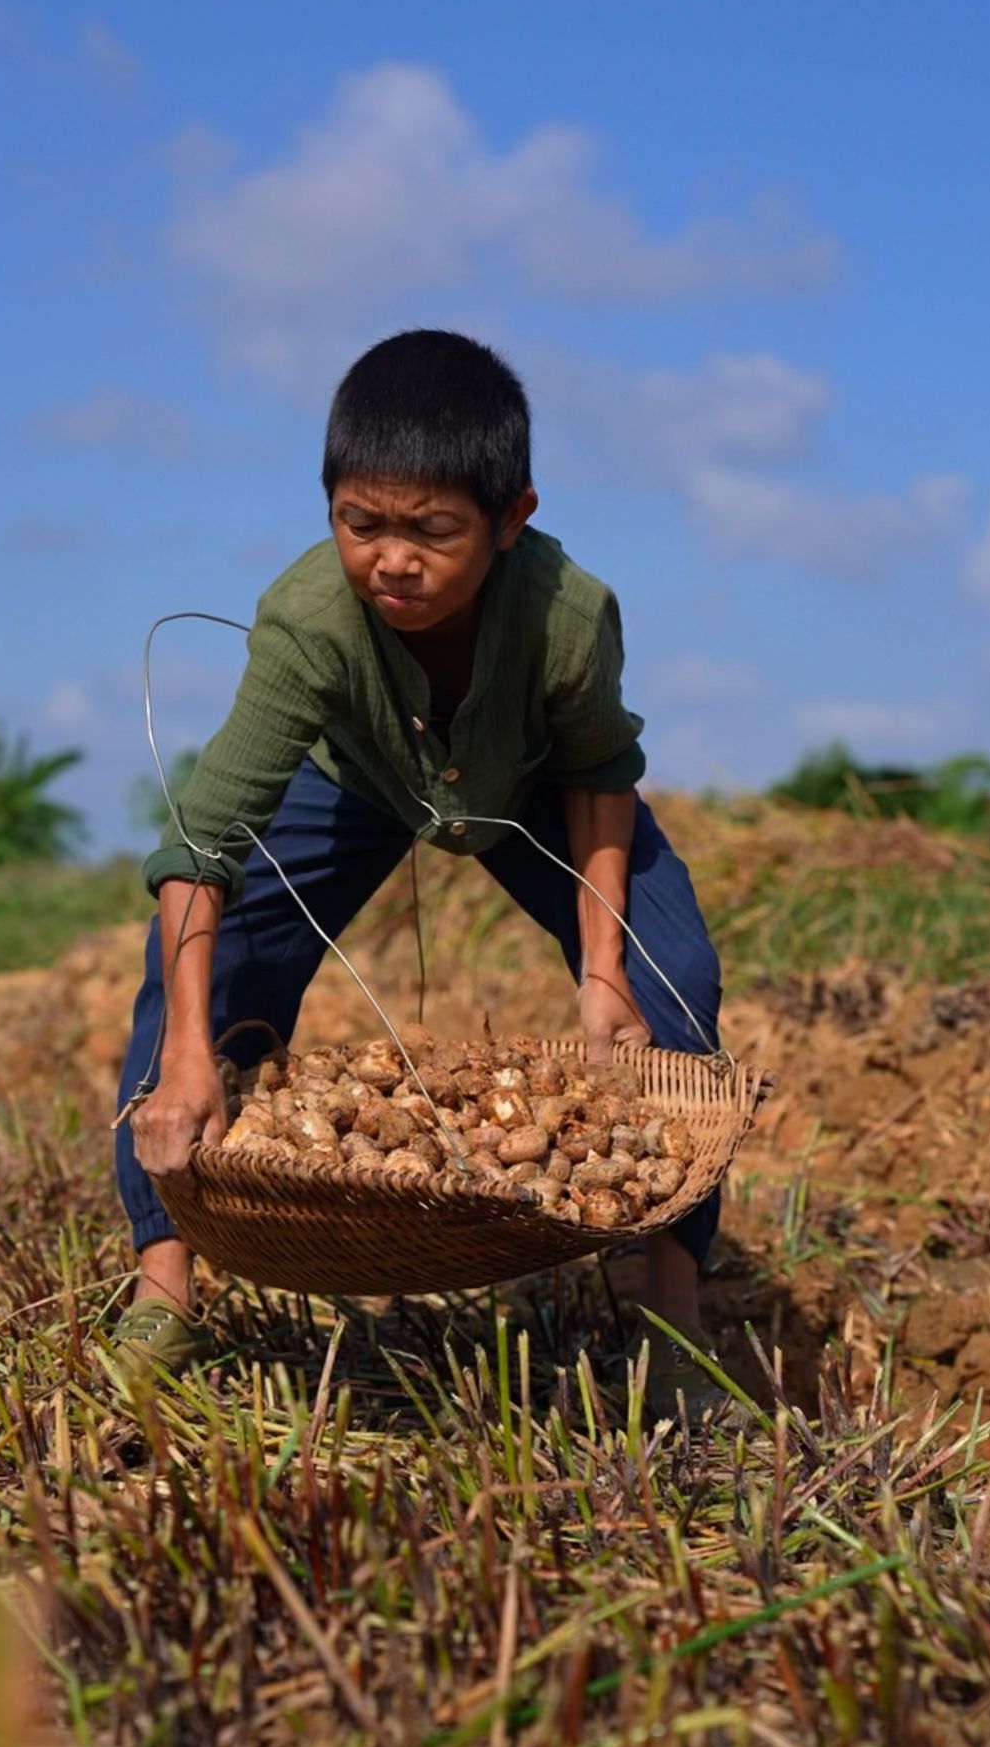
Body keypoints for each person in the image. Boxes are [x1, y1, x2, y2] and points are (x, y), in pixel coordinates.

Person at [112, 330, 724, 1415]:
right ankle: (165, 1283)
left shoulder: (570, 616)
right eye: (361, 524)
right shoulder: (307, 619)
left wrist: (601, 974)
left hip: (530, 786)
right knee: (196, 980)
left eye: (431, 531)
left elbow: (597, 775)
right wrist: (192, 1055)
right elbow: (205, 844)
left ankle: (674, 1303)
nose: (391, 559)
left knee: (675, 981)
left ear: (510, 519)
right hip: (355, 783)